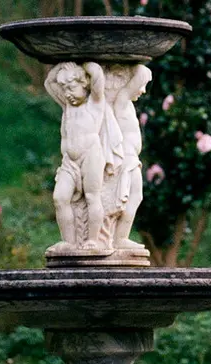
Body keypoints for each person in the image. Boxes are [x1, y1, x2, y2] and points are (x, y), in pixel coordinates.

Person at [44, 62, 109, 251]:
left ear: (84, 85)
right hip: (69, 161)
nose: (67, 94)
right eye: (65, 89)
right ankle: (69, 242)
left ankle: (93, 240)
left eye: (71, 88)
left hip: (90, 156)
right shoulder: (67, 106)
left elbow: (97, 73)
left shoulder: (95, 103)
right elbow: (49, 83)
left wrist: (83, 62)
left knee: (92, 197)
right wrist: (63, 65)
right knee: (60, 198)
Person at [108, 65, 152, 249]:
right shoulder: (122, 101)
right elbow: (137, 77)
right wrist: (140, 69)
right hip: (125, 159)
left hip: (132, 159)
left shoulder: (129, 106)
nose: (143, 91)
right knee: (131, 197)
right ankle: (119, 238)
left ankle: (120, 237)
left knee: (136, 197)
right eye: (142, 85)